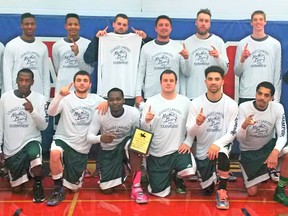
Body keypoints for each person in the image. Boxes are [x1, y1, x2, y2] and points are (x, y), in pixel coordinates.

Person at [46, 70, 107, 206]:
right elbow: (51, 112)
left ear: (90, 84)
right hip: (63, 139)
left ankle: (71, 180)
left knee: (73, 188)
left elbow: (113, 103)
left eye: (85, 80)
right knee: (54, 154)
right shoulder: (66, 98)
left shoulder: (96, 99)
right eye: (78, 80)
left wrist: (106, 103)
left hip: (81, 147)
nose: (82, 83)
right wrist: (59, 95)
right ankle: (57, 189)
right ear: (74, 83)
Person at [186, 66, 238, 210]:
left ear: (223, 81)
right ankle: (211, 176)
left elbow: (233, 132)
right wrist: (197, 124)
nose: (213, 82)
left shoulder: (231, 104)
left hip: (221, 145)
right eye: (210, 79)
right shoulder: (195, 103)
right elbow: (190, 131)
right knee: (207, 191)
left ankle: (222, 191)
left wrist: (217, 144)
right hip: (203, 149)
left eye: (217, 79)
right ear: (205, 81)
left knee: (222, 153)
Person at [141, 69, 196, 197]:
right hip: (157, 153)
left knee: (190, 170)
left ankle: (177, 176)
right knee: (160, 193)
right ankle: (157, 174)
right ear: (160, 83)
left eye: (171, 80)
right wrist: (146, 121)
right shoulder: (151, 102)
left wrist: (187, 142)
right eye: (165, 80)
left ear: (176, 83)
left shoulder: (186, 102)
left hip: (177, 151)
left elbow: (192, 127)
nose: (168, 83)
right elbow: (144, 130)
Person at [87, 87, 148, 204]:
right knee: (107, 190)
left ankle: (136, 187)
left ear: (124, 100)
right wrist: (101, 138)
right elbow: (89, 137)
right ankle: (122, 169)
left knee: (136, 143)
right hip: (108, 151)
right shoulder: (100, 113)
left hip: (125, 146)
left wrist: (143, 149)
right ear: (107, 101)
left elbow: (140, 135)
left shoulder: (133, 113)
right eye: (111, 100)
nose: (115, 102)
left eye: (118, 99)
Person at [0, 68, 48, 203]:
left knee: (35, 156)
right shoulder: (5, 98)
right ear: (16, 81)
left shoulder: (39, 98)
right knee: (17, 190)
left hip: (31, 141)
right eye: (21, 80)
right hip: (12, 149)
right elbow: (0, 124)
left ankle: (38, 185)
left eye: (27, 81)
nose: (23, 83)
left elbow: (43, 126)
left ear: (32, 82)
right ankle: (26, 172)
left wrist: (33, 111)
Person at [237, 81, 288, 206]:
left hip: (268, 148)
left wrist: (275, 152)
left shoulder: (277, 108)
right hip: (249, 153)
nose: (261, 98)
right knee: (252, 192)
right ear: (255, 93)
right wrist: (244, 125)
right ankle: (266, 172)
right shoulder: (244, 107)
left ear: (272, 98)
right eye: (259, 93)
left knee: (287, 152)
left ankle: (280, 190)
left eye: (266, 95)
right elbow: (239, 139)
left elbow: (283, 134)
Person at [84, 13, 152, 106]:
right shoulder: (103, 39)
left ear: (127, 26)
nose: (121, 27)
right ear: (113, 24)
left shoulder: (135, 41)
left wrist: (146, 38)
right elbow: (88, 58)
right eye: (119, 24)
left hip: (129, 91)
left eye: (124, 25)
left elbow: (154, 51)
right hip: (107, 91)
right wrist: (96, 39)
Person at [135, 15, 190, 108]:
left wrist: (186, 59)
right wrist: (138, 94)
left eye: (166, 25)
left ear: (171, 28)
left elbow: (186, 72)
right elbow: (141, 72)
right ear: (156, 28)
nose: (164, 27)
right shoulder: (146, 47)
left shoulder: (179, 47)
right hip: (151, 95)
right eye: (161, 25)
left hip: (173, 96)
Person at [234, 10, 282, 104]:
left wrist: (276, 98)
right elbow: (237, 72)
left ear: (265, 22)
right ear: (251, 23)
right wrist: (242, 60)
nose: (258, 22)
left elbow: (277, 74)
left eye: (260, 19)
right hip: (247, 94)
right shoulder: (242, 43)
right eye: (255, 20)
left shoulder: (275, 44)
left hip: (267, 94)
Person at [3, 12, 50, 101]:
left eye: (32, 24)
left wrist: (46, 98)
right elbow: (7, 73)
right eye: (26, 24)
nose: (29, 27)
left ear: (35, 25)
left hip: (38, 95)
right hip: (16, 95)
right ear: (21, 25)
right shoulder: (11, 45)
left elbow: (46, 75)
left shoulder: (42, 47)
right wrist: (10, 96)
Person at [183, 8, 229, 100]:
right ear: (196, 22)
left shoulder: (218, 42)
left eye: (206, 21)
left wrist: (218, 57)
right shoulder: (187, 42)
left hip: (213, 95)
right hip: (192, 94)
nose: (203, 23)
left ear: (209, 24)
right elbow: (185, 72)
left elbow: (225, 71)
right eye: (201, 20)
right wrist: (186, 59)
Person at [52, 13, 93, 93]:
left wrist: (77, 54)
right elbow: (57, 68)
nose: (73, 27)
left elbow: (89, 71)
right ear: (65, 26)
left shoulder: (88, 44)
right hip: (63, 87)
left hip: (82, 88)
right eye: (70, 24)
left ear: (79, 26)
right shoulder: (57, 45)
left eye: (76, 24)